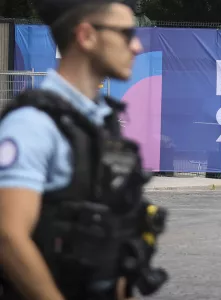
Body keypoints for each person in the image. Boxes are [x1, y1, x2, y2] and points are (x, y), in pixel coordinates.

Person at [0, 1, 168, 300]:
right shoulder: (32, 124)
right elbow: (8, 236)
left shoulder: (99, 124)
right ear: (86, 36)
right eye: (126, 33)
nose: (137, 46)